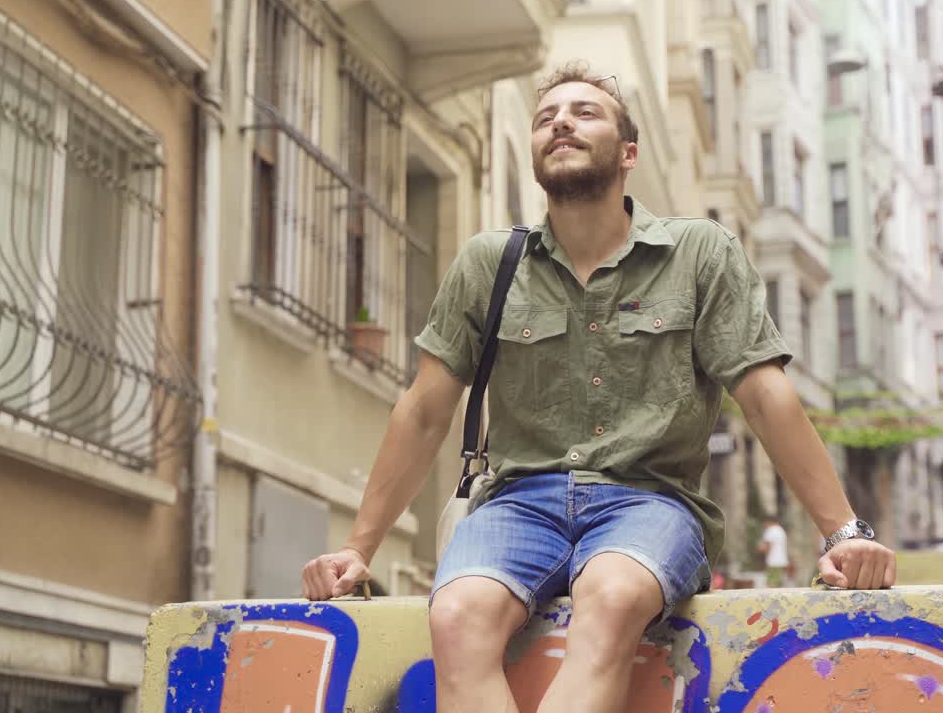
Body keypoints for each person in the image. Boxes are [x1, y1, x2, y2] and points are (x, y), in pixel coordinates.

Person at [301, 61, 897, 713]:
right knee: (457, 617)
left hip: (651, 502)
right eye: (545, 117)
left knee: (611, 601)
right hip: (516, 504)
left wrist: (844, 533)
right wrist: (357, 550)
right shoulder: (487, 264)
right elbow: (422, 412)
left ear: (629, 152)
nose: (561, 121)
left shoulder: (699, 254)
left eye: (585, 112)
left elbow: (763, 393)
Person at [757, 516, 790, 587]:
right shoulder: (781, 530)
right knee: (778, 582)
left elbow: (767, 547)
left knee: (771, 583)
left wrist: (760, 550)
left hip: (773, 561)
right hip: (782, 561)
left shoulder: (770, 530)